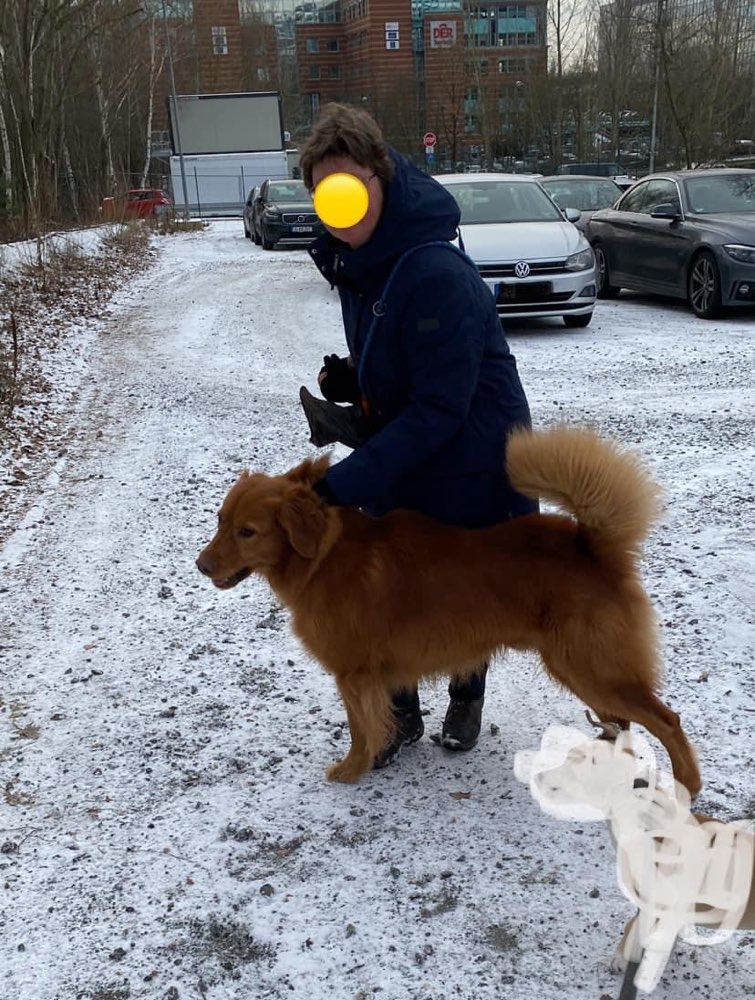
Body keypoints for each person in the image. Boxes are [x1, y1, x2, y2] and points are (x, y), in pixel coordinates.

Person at [298, 103, 537, 768]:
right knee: (394, 585)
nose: (337, 210)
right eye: (324, 195)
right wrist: (355, 376)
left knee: (460, 587)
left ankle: (466, 694)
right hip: (410, 446)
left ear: (379, 176)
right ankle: (399, 715)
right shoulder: (361, 256)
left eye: (347, 189)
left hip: (472, 455)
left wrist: (344, 483)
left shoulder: (433, 271)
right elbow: (405, 356)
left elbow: (441, 406)